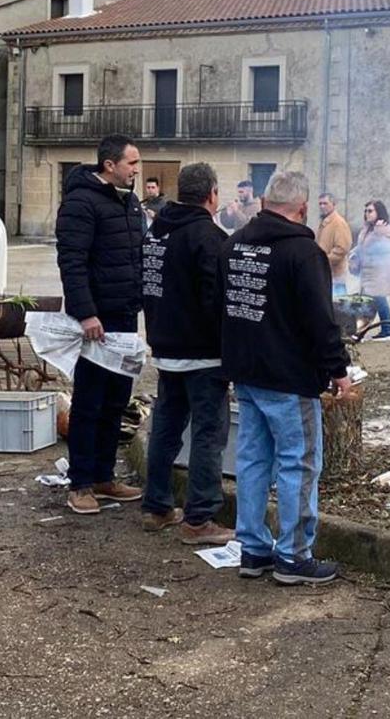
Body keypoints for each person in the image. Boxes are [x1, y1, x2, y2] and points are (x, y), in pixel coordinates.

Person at [219, 170, 352, 585]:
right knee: (299, 462)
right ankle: (294, 557)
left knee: (253, 460)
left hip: (246, 372)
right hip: (289, 377)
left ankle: (254, 550)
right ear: (302, 208)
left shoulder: (234, 244)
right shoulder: (304, 252)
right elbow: (320, 319)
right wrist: (338, 368)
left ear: (264, 202)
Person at [141, 162, 234, 544]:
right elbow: (216, 299)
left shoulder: (156, 230)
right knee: (209, 433)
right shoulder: (208, 236)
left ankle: (157, 506)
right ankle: (199, 518)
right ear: (212, 194)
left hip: (165, 348)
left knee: (165, 427)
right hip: (203, 355)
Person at [55, 134, 146, 514]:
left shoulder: (130, 202)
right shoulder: (81, 202)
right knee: (90, 401)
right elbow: (72, 262)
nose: (137, 170)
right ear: (110, 165)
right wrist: (86, 312)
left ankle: (105, 476)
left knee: (116, 400)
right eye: (132, 163)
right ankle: (80, 483)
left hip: (125, 317)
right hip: (97, 321)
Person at [352, 200, 390, 341]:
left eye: (370, 211)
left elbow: (385, 248)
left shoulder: (385, 229)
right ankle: (362, 331)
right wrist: (354, 256)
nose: (367, 214)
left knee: (378, 300)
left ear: (379, 212)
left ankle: (387, 331)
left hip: (379, 272)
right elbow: (361, 248)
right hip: (368, 272)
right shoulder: (367, 229)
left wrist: (378, 232)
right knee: (368, 302)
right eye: (366, 211)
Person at [316, 193, 352, 296]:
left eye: (325, 203)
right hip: (325, 275)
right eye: (320, 204)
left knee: (339, 307)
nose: (322, 206)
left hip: (336, 276)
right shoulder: (325, 222)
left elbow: (342, 249)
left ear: (334, 204)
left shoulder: (338, 223)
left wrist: (323, 261)